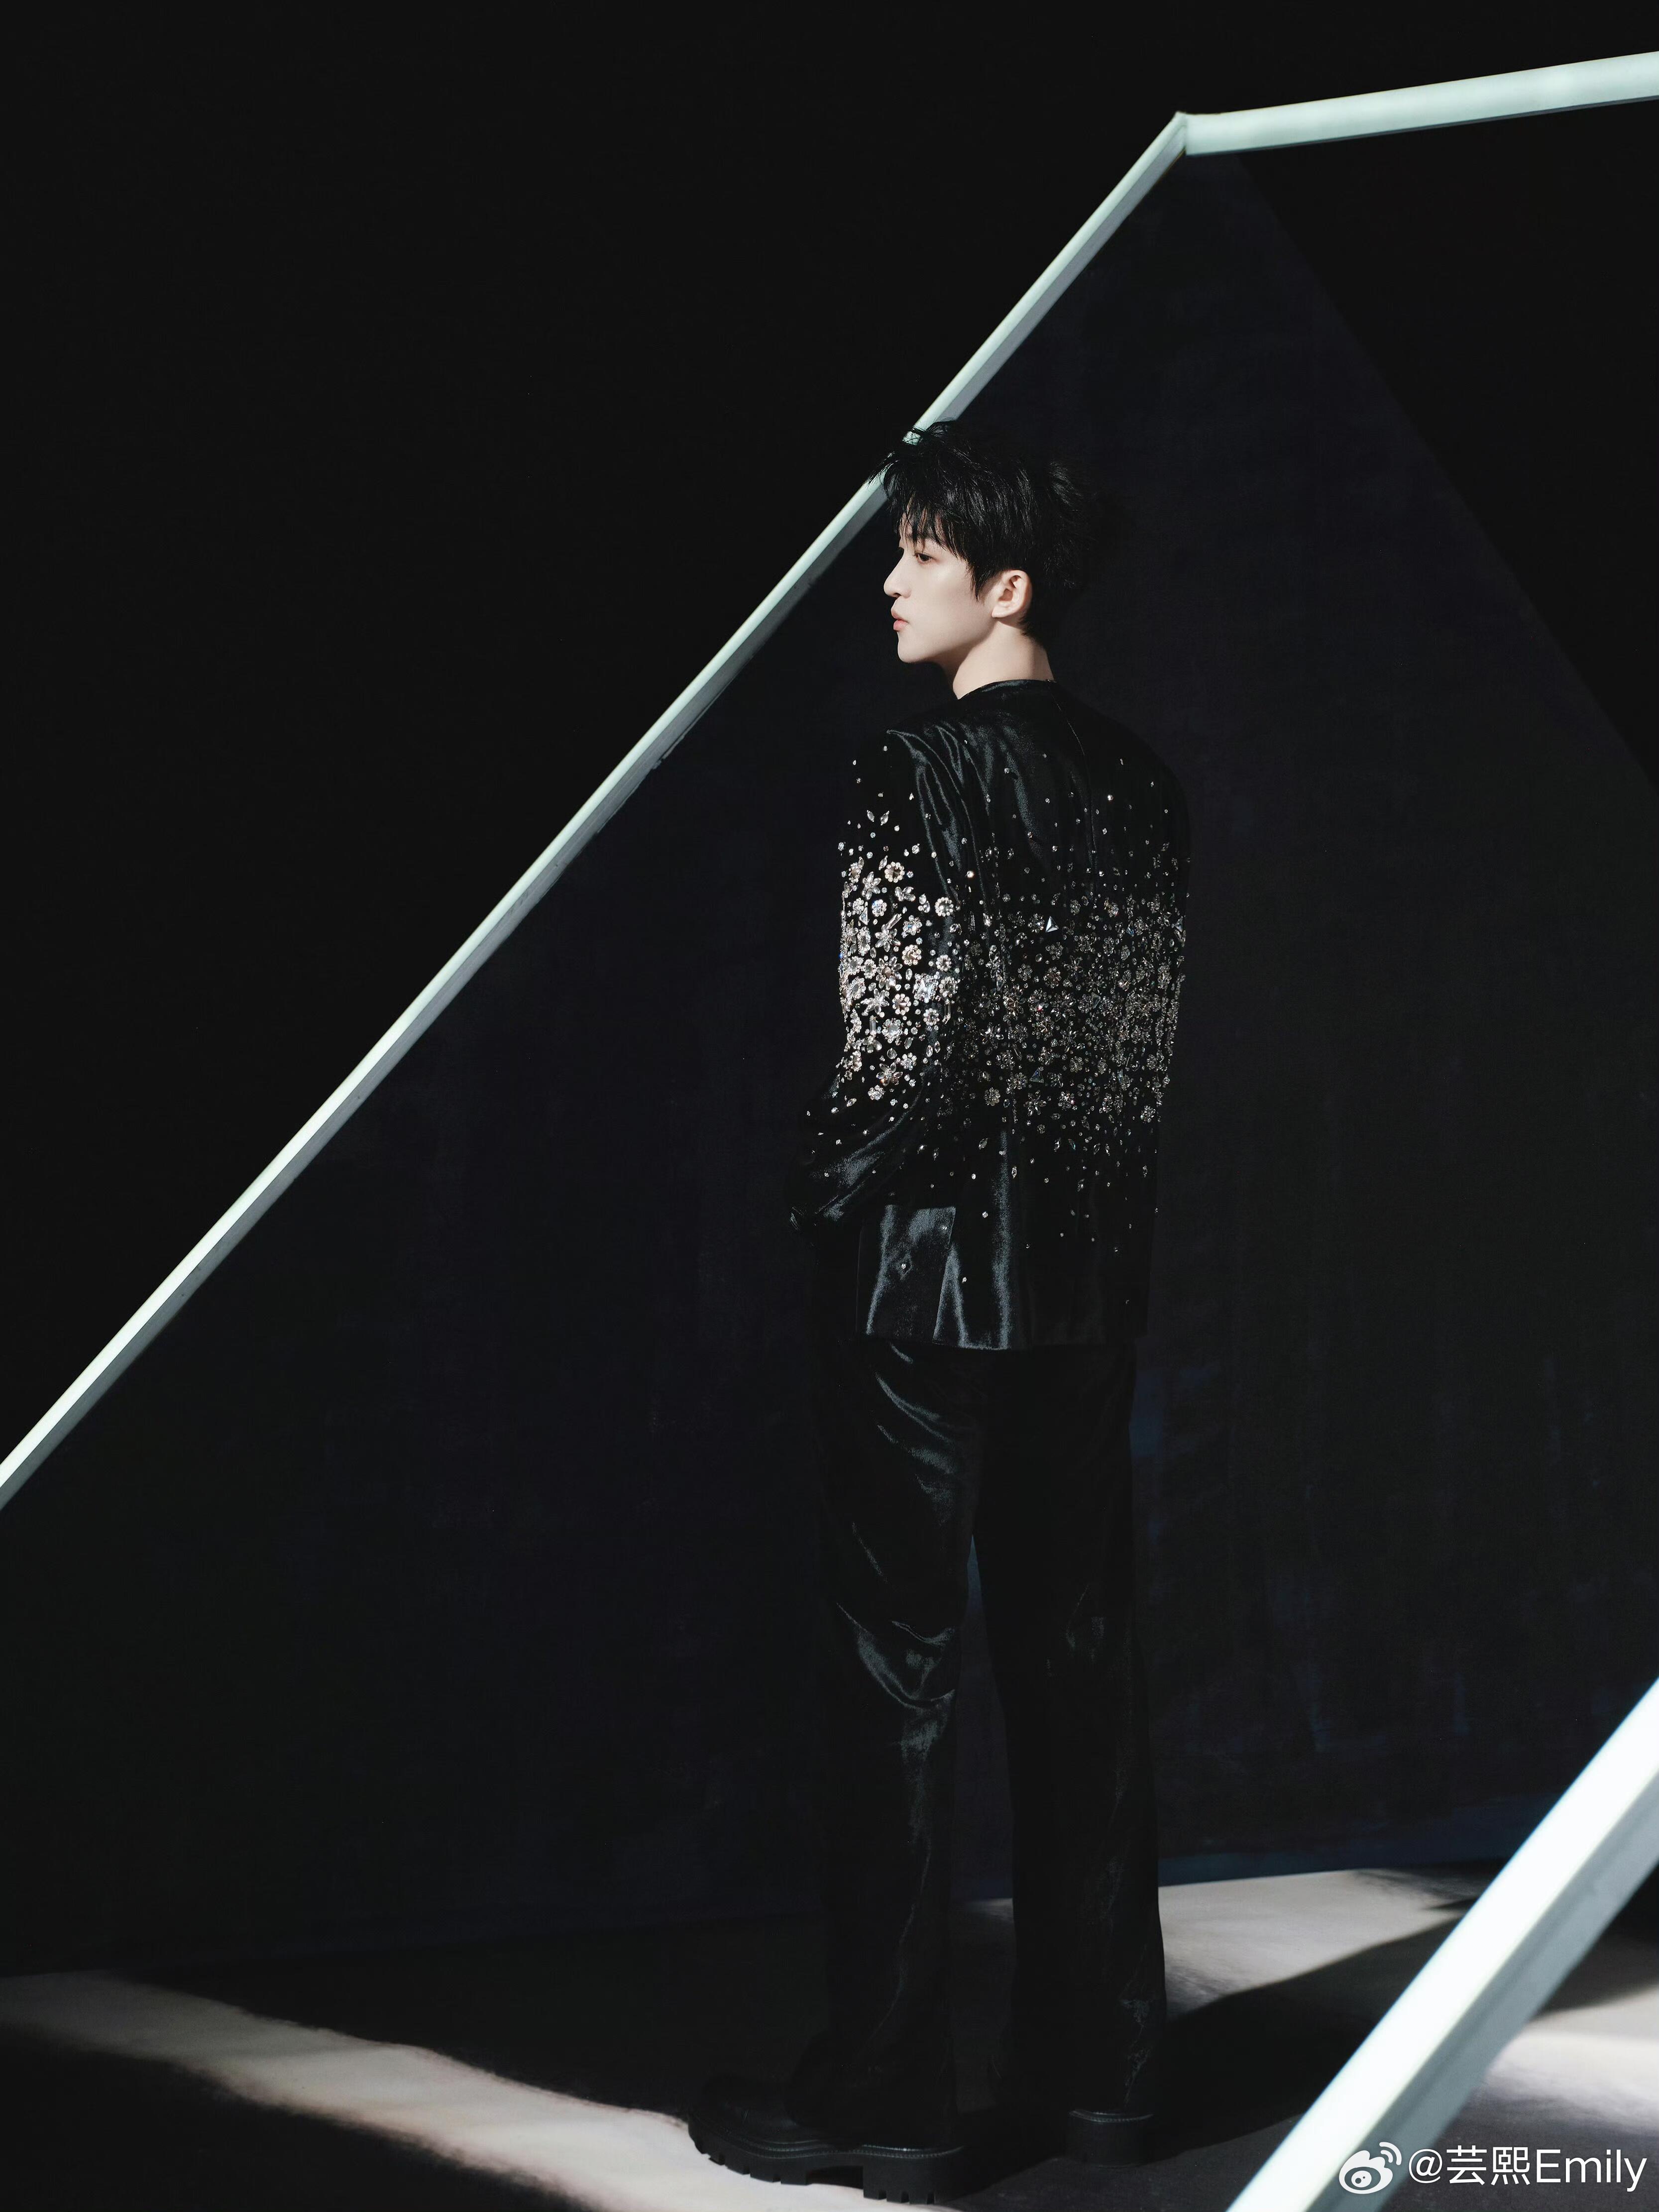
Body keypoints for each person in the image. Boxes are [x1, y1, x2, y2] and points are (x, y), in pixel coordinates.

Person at [691, 418, 1191, 2200]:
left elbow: (890, 1044)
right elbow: (1136, 1058)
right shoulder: (1142, 785)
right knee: (1079, 1662)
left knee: (897, 1679)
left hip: (918, 1283)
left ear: (1010, 585)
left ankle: (890, 2095)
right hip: (1082, 1285)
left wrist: (821, 1204)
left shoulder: (911, 774)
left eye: (919, 552)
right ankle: (1105, 2071)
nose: (889, 582)